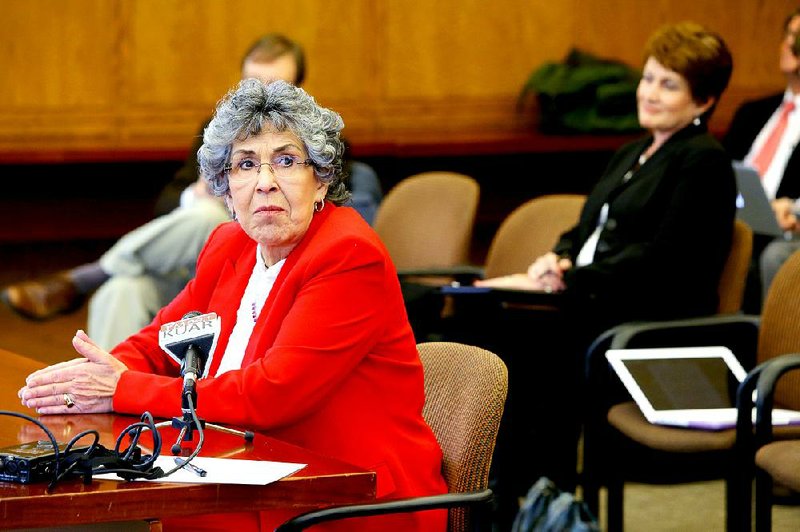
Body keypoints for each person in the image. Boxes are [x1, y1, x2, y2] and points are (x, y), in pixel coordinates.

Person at [17, 79, 446, 531]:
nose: (265, 183)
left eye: (285, 161)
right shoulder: (230, 244)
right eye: (245, 164)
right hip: (250, 472)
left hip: (345, 496)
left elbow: (270, 394)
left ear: (321, 180)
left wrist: (119, 390)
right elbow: (161, 342)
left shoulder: (348, 254)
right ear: (225, 188)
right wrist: (94, 377)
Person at [471, 21, 736, 527]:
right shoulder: (633, 152)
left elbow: (664, 261)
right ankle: (503, 496)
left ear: (703, 102)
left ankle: (527, 501)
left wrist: (575, 280)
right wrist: (561, 258)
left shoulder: (703, 161)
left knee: (520, 352)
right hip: (593, 303)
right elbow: (586, 229)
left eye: (668, 84)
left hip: (646, 321)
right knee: (481, 329)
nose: (649, 93)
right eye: (648, 78)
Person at [0, 34, 381, 351]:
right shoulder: (220, 131)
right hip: (193, 261)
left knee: (200, 226)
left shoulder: (320, 139)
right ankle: (99, 399)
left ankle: (87, 277)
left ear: (298, 87)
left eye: (283, 162)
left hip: (268, 259)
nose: (261, 95)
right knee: (126, 287)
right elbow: (166, 204)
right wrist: (197, 193)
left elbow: (340, 212)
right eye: (246, 164)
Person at [723, 7, 800, 305]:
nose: (788, 44)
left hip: (782, 233)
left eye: (798, 37)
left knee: (772, 255)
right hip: (731, 220)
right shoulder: (752, 113)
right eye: (788, 34)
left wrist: (793, 209)